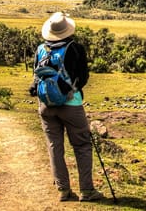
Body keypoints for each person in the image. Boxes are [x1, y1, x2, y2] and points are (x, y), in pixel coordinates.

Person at [29, 12, 104, 202]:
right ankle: (87, 191)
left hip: (45, 105)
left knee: (54, 146)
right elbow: (83, 77)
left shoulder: (41, 49)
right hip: (71, 104)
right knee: (82, 146)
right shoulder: (75, 48)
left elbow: (36, 75)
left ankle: (63, 190)